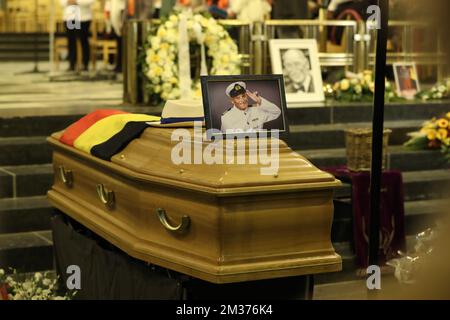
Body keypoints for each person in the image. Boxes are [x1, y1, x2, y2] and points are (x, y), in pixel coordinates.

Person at [60, 0, 95, 72]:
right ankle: (72, 64)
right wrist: (68, 1)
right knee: (71, 41)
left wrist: (77, 1)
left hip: (83, 17)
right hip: (70, 16)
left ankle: (85, 64)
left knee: (83, 40)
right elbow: (61, 2)